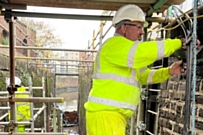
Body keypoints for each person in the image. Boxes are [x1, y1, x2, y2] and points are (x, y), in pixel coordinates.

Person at [84, 4, 200, 135]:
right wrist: (178, 43)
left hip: (111, 116)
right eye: (138, 27)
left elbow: (144, 76)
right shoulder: (113, 46)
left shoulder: (126, 54)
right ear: (124, 27)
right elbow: (143, 52)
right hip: (106, 116)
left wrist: (169, 71)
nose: (142, 32)